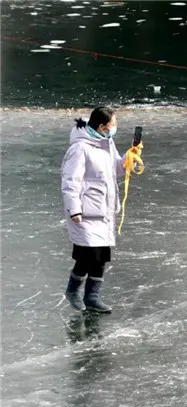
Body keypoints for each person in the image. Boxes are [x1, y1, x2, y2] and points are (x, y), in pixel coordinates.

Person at [62, 106, 137, 313]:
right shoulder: (80, 148)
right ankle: (73, 290)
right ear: (102, 126)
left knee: (101, 255)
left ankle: (92, 297)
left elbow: (117, 170)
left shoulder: (107, 143)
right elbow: (70, 181)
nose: (115, 127)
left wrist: (129, 157)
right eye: (113, 124)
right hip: (85, 213)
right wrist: (74, 210)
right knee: (87, 255)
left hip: (103, 211)